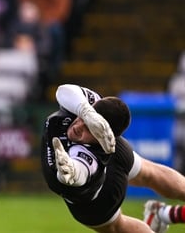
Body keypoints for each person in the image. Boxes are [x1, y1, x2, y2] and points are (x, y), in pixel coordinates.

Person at [42, 84, 185, 233]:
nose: (79, 126)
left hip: (97, 198)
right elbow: (63, 90)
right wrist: (87, 113)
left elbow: (80, 171)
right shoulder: (92, 106)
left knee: (117, 226)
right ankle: (162, 214)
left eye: (90, 129)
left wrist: (68, 171)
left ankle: (160, 215)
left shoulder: (92, 154)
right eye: (83, 120)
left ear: (103, 139)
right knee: (150, 173)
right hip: (114, 152)